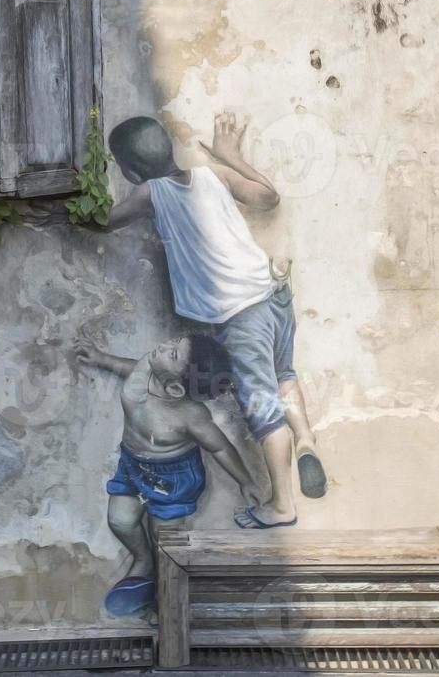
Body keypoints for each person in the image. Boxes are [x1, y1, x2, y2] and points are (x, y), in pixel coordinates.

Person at [106, 112, 326, 529]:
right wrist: (231, 157)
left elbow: (104, 222)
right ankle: (307, 438)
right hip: (274, 293)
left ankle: (281, 505)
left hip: (239, 317)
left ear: (131, 171)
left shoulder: (149, 194)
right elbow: (268, 197)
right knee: (283, 373)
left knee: (262, 411)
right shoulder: (214, 176)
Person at [75, 332, 262, 615]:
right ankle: (143, 560)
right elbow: (130, 368)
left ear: (175, 390)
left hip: (173, 478)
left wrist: (246, 481)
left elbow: (220, 448)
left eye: (173, 354)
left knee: (166, 545)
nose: (164, 345)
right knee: (120, 521)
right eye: (173, 342)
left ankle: (167, 599)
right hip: (132, 465)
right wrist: (102, 359)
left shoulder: (191, 415)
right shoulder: (148, 366)